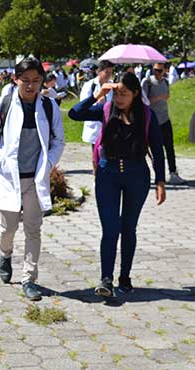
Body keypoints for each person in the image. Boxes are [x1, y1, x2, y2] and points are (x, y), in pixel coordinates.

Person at [68, 73, 166, 296]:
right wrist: (98, 95)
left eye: (124, 94)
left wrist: (160, 181)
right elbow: (75, 114)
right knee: (110, 229)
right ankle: (105, 279)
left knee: (128, 228)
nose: (119, 98)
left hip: (136, 176)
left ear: (135, 94)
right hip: (107, 175)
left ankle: (125, 277)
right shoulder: (105, 109)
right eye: (116, 93)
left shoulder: (147, 115)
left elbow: (158, 151)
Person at [0, 57, 65, 301]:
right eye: (25, 80)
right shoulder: (2, 105)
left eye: (35, 81)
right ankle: (5, 255)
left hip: (34, 180)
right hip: (9, 178)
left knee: (33, 229)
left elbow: (58, 141)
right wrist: (3, 160)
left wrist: (48, 163)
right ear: (15, 79)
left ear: (41, 81)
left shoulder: (49, 107)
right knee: (8, 229)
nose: (30, 86)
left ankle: (29, 279)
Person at [142, 63, 187, 184]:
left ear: (164, 71)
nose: (157, 72)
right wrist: (159, 97)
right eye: (155, 70)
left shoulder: (166, 82)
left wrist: (164, 98)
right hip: (153, 121)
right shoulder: (147, 82)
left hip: (165, 119)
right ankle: (158, 176)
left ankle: (173, 173)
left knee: (169, 148)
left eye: (159, 70)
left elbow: (167, 97)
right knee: (157, 150)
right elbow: (144, 102)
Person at [81, 61, 114, 153]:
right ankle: (96, 167)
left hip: (109, 123)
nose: (109, 75)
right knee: (96, 154)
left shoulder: (112, 85)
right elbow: (83, 105)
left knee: (108, 153)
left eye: (111, 72)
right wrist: (97, 102)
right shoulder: (89, 85)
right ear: (99, 71)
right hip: (95, 124)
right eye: (106, 72)